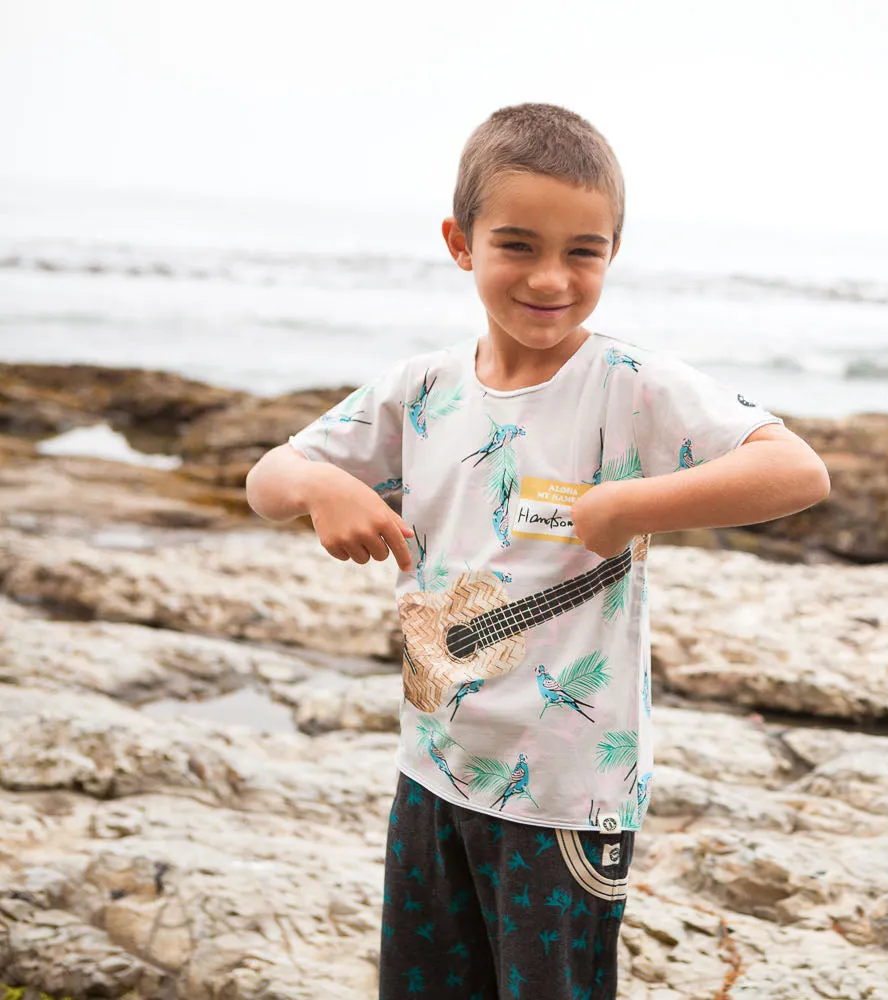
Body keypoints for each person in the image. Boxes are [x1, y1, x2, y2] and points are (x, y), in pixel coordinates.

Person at [244, 102, 829, 998]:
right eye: (517, 245)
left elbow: (795, 471)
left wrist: (631, 502)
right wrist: (323, 486)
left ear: (613, 252)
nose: (551, 278)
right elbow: (268, 476)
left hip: (563, 797)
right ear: (460, 242)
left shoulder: (628, 386)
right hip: (431, 771)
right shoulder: (424, 388)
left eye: (583, 251)